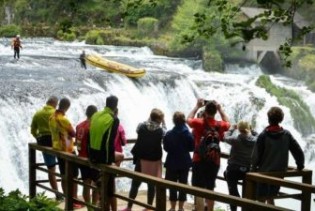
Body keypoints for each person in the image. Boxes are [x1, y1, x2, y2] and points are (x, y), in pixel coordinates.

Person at [251, 106, 305, 205]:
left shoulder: (263, 135)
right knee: (271, 196)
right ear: (281, 119)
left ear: (268, 119)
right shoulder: (286, 135)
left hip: (264, 174)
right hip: (280, 173)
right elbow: (298, 152)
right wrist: (300, 165)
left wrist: (253, 169)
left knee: (261, 200)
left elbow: (256, 156)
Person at [187, 99, 230, 211]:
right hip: (214, 160)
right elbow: (228, 123)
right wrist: (220, 109)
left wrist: (196, 106)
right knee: (210, 188)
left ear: (205, 111)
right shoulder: (220, 125)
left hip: (198, 159)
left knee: (198, 188)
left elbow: (188, 119)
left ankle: (199, 209)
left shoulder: (199, 123)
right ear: (215, 112)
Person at [89, 95, 124, 211]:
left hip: (92, 154)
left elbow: (91, 134)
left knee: (104, 187)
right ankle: (108, 175)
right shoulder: (113, 119)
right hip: (103, 156)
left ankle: (102, 181)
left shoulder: (96, 115)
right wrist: (109, 163)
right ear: (116, 106)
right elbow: (109, 141)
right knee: (120, 156)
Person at [49, 97, 83, 209]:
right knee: (74, 176)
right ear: (67, 107)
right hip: (67, 150)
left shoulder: (51, 117)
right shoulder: (63, 119)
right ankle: (74, 200)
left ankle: (68, 198)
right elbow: (73, 133)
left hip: (57, 149)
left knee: (64, 175)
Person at [130, 108, 166, 210]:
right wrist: (164, 123)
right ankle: (149, 207)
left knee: (135, 184)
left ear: (150, 117)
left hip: (141, 159)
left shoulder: (141, 126)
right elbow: (165, 134)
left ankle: (129, 206)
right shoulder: (161, 131)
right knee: (151, 185)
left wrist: (150, 119)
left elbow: (138, 130)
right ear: (160, 119)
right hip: (154, 161)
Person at [30, 96, 62, 201]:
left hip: (43, 142)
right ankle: (68, 193)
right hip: (56, 141)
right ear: (55, 104)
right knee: (65, 168)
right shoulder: (56, 113)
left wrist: (37, 138)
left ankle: (58, 195)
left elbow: (33, 130)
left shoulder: (38, 113)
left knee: (51, 169)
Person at [222, 120, 257, 211]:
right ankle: (244, 207)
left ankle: (234, 205)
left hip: (233, 169)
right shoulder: (255, 140)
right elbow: (258, 135)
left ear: (239, 129)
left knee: (232, 190)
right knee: (247, 193)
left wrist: (231, 129)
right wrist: (252, 130)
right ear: (248, 128)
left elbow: (225, 137)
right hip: (247, 170)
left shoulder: (235, 139)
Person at [163, 111, 194, 211]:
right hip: (184, 162)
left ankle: (172, 208)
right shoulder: (188, 134)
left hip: (172, 162)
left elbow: (166, 148)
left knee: (172, 185)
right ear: (184, 120)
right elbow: (191, 148)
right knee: (183, 185)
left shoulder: (169, 134)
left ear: (174, 121)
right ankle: (181, 208)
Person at [75, 105, 99, 207]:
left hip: (81, 157)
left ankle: (89, 207)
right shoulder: (93, 126)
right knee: (96, 184)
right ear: (95, 114)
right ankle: (94, 206)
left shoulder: (79, 126)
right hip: (91, 159)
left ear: (86, 113)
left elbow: (77, 142)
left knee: (86, 184)